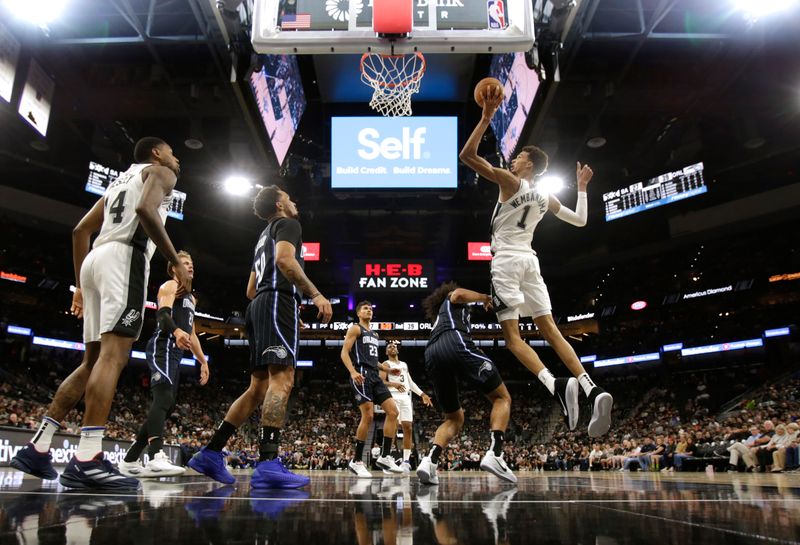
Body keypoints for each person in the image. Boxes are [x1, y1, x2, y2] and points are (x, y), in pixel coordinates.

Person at [11, 137, 189, 490]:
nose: (176, 158)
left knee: (90, 362)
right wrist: (174, 261)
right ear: (156, 154)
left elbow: (80, 231)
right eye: (171, 151)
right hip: (124, 260)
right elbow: (145, 211)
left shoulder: (120, 180)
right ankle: (88, 458)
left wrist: (80, 285)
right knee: (113, 357)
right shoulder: (161, 173)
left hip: (94, 260)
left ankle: (38, 446)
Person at [459, 86, 613, 437]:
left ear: (528, 163)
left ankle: (555, 385)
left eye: (518, 157)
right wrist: (582, 188)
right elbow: (579, 220)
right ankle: (592, 387)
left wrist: (485, 119)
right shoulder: (544, 195)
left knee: (512, 338)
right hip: (531, 261)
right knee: (552, 330)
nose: (512, 159)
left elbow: (467, 155)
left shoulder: (510, 181)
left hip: (507, 263)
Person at [188, 185, 332, 489]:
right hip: (277, 302)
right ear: (280, 203)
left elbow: (250, 290)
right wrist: (314, 294)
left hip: (259, 305)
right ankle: (268, 462)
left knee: (257, 388)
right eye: (290, 197)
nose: (294, 201)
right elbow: (284, 261)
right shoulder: (289, 224)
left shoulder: (262, 235)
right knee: (283, 379)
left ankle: (211, 452)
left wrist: (284, 313)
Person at [118, 251, 209, 477]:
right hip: (162, 346)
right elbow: (162, 316)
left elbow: (192, 333)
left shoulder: (191, 298)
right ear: (174, 268)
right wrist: (176, 330)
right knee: (163, 398)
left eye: (192, 263)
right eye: (185, 263)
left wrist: (202, 360)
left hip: (176, 353)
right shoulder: (170, 286)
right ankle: (155, 456)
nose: (190, 267)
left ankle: (130, 460)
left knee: (167, 407)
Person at [416, 281, 516, 485]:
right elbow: (459, 294)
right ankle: (496, 454)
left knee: (454, 418)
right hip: (455, 344)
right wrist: (485, 297)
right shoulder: (451, 300)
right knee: (501, 397)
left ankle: (430, 461)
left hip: (433, 354)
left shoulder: (441, 318)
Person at [341, 301, 404, 478]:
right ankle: (357, 461)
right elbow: (344, 352)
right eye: (365, 308)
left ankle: (384, 456)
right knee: (368, 415)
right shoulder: (355, 328)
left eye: (370, 308)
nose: (369, 310)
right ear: (359, 313)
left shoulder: (375, 334)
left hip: (375, 376)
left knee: (393, 412)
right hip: (361, 374)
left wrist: (387, 370)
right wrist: (352, 372)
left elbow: (373, 360)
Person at [379, 340, 433, 472]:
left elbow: (410, 381)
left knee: (408, 427)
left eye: (394, 346)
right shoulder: (386, 364)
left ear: (397, 350)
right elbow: (381, 381)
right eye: (389, 347)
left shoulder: (404, 364)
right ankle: (387, 458)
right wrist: (394, 384)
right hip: (393, 395)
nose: (392, 347)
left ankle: (406, 461)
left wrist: (422, 394)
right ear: (386, 352)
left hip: (406, 397)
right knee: (393, 427)